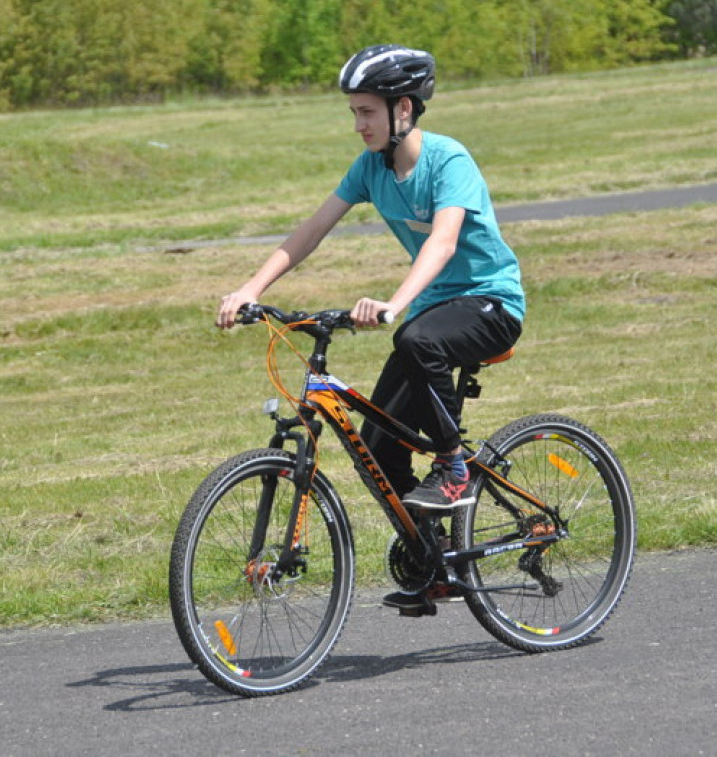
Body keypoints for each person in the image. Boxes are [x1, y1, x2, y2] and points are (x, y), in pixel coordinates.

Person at [216, 45, 525, 605]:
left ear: (403, 109)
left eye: (367, 112)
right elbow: (311, 231)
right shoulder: (370, 169)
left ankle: (453, 467)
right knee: (379, 444)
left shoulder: (448, 161)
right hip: (434, 314)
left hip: (490, 304)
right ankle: (435, 560)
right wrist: (250, 290)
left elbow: (443, 242)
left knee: (415, 337)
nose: (358, 125)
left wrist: (395, 303)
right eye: (353, 112)